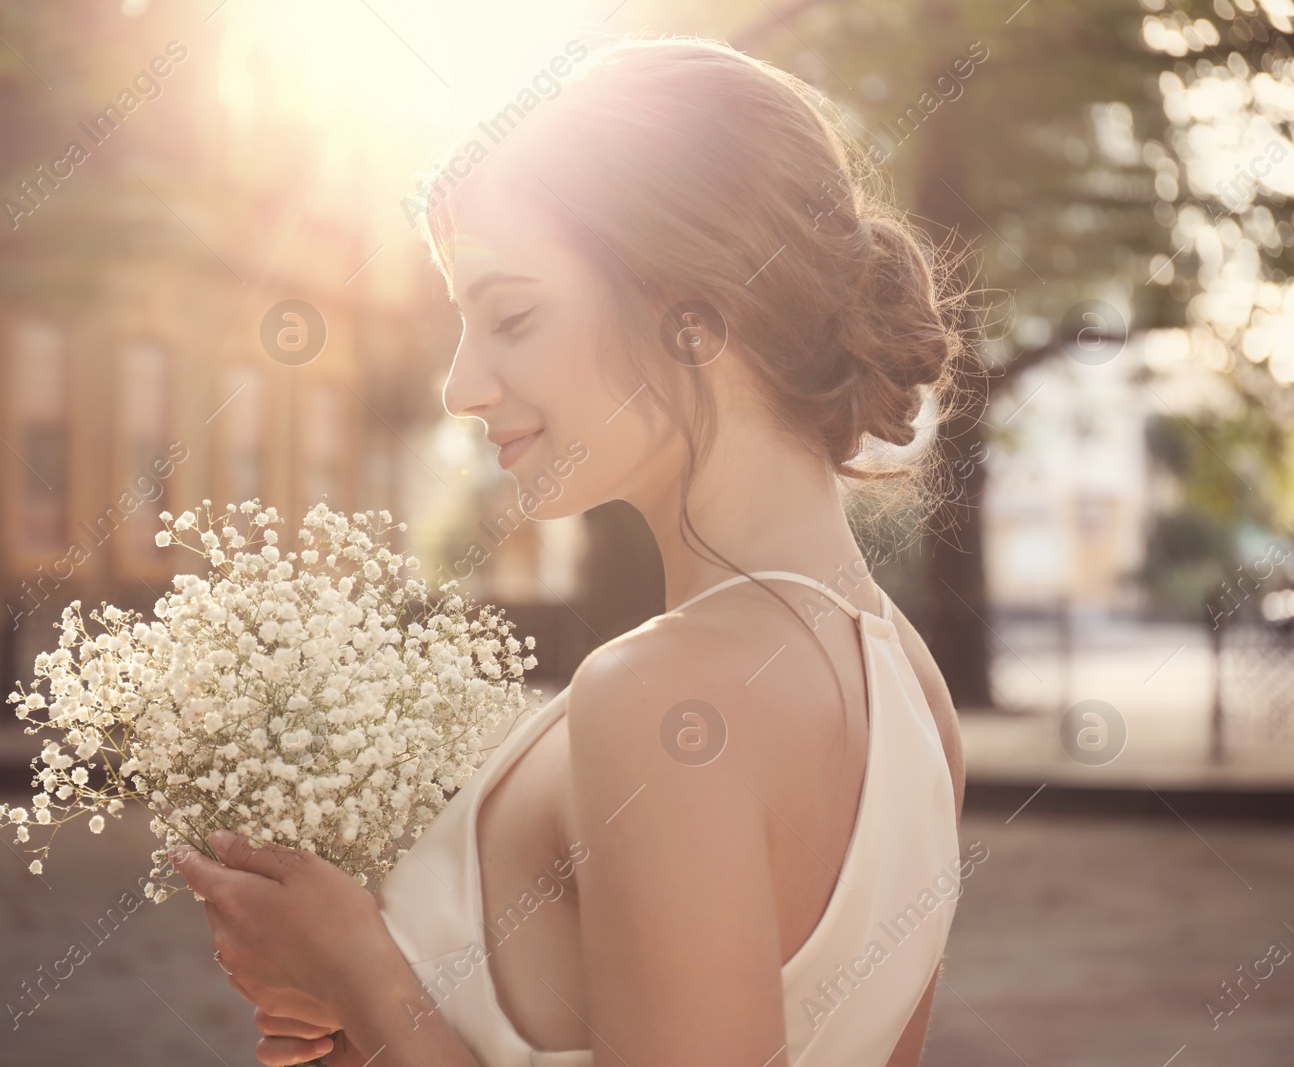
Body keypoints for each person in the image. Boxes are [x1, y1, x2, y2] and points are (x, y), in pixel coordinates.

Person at [173, 35, 973, 1067]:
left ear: (692, 310)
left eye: (510, 315)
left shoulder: (659, 696)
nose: (461, 385)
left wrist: (356, 972)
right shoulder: (911, 686)